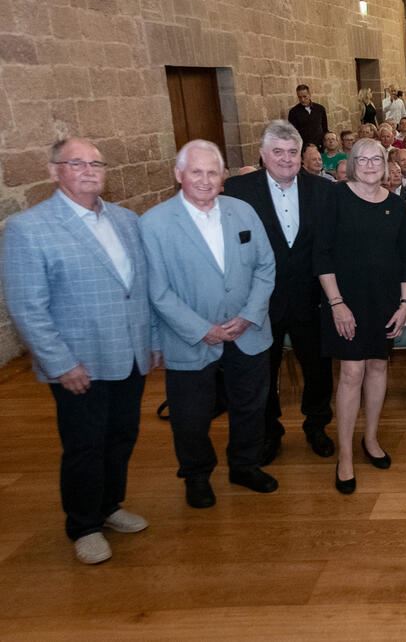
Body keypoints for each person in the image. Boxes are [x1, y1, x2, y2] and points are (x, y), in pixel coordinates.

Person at [3, 138, 157, 564]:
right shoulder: (29, 229)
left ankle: (110, 506)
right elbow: (26, 307)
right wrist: (60, 363)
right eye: (76, 163)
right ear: (54, 171)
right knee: (85, 444)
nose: (89, 170)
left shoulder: (125, 220)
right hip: (79, 362)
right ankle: (83, 524)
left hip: (130, 354)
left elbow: (141, 289)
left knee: (122, 435)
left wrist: (153, 341)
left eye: (96, 163)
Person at [141, 140, 278, 509]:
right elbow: (158, 290)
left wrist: (249, 314)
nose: (204, 180)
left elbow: (266, 266)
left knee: (251, 404)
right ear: (178, 175)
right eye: (195, 172)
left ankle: (245, 465)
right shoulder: (154, 224)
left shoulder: (243, 211)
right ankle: (197, 475)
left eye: (212, 172)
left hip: (247, 331)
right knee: (190, 414)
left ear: (223, 177)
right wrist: (203, 329)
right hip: (190, 338)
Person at [223, 120, 336, 465]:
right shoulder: (238, 190)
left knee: (317, 370)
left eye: (293, 152)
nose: (286, 159)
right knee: (263, 372)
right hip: (260, 301)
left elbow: (331, 247)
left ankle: (317, 425)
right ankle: (270, 431)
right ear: (262, 154)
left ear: (301, 155)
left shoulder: (323, 190)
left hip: (310, 298)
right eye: (278, 152)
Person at [314, 139, 406, 494]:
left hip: (385, 301)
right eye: (362, 158)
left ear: (385, 166)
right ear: (352, 163)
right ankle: (344, 456)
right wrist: (337, 303)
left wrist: (404, 304)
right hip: (345, 302)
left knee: (378, 366)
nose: (370, 164)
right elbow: (322, 254)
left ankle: (370, 440)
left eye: (376, 159)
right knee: (352, 371)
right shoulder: (335, 198)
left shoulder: (396, 204)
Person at [287, 84, 328, 152]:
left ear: (309, 95)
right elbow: (292, 133)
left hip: (320, 147)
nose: (302, 99)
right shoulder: (293, 112)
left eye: (304, 96)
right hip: (303, 149)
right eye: (299, 97)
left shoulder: (320, 109)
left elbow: (325, 128)